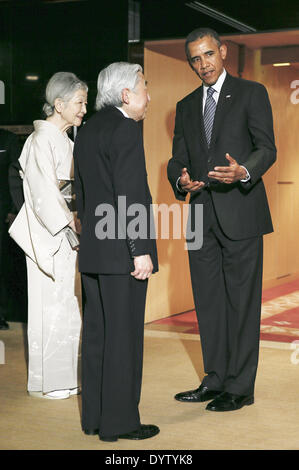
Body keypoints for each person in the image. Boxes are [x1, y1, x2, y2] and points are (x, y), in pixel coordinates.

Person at [167, 28, 276, 412]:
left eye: (208, 55)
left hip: (241, 214)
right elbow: (177, 157)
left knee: (242, 305)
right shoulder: (184, 105)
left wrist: (244, 171)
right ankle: (214, 379)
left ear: (223, 52)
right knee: (209, 303)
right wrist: (179, 178)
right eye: (195, 59)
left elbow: (267, 147)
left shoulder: (252, 93)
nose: (203, 65)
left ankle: (240, 386)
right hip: (200, 219)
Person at [74, 62, 159, 441]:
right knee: (123, 339)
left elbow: (86, 195)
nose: (148, 96)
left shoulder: (88, 129)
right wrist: (140, 249)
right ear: (127, 94)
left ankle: (95, 420)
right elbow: (130, 195)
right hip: (122, 255)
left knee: (97, 338)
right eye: (144, 87)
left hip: (93, 253)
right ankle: (122, 423)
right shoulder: (125, 128)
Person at [9, 72, 88, 399]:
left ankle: (65, 377)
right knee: (52, 306)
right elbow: (42, 192)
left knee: (67, 305)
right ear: (59, 105)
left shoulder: (64, 140)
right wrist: (69, 221)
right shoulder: (41, 139)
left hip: (68, 229)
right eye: (79, 103)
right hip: (52, 233)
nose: (84, 109)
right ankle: (51, 382)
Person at [0, 129, 21, 329]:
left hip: (2, 213)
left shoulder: (8, 139)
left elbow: (16, 176)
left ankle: (1, 314)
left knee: (2, 265)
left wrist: (14, 210)